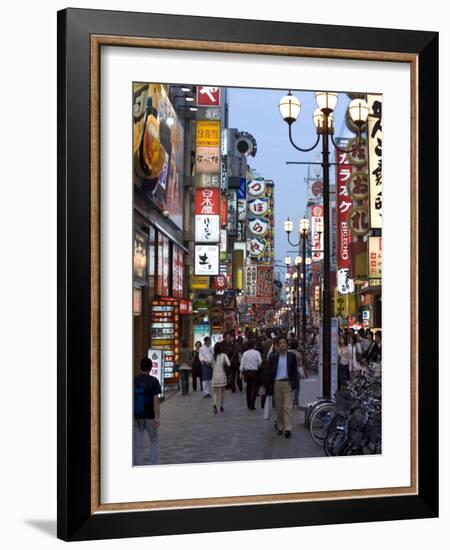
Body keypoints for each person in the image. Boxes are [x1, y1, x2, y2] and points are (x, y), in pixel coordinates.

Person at [266, 336, 299, 438]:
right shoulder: (274, 358)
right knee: (279, 408)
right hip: (277, 384)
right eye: (280, 343)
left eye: (284, 342)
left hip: (288, 383)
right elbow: (269, 372)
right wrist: (268, 385)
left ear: (287, 344)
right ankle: (280, 426)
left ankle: (288, 428)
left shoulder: (292, 356)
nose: (283, 345)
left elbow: (294, 371)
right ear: (277, 346)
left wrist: (294, 383)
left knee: (287, 407)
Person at [133, 357, 161, 466]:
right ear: (151, 368)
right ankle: (153, 464)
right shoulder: (154, 381)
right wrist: (157, 418)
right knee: (154, 440)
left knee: (138, 443)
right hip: (150, 416)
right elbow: (156, 401)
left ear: (140, 367)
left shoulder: (134, 380)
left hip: (137, 416)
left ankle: (138, 466)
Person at [239, 339, 262, 410]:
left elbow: (242, 365)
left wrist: (241, 373)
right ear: (254, 346)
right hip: (255, 372)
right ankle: (252, 405)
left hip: (247, 373)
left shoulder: (245, 353)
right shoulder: (257, 353)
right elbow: (260, 362)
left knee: (248, 389)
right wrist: (258, 366)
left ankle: (248, 404)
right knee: (254, 389)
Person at [211, 342, 230, 413]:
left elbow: (211, 365)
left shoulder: (213, 356)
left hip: (215, 375)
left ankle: (214, 404)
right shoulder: (224, 355)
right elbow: (229, 364)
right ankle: (221, 406)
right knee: (222, 392)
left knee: (215, 392)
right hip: (222, 375)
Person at [288, 339, 303, 407]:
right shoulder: (298, 354)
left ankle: (289, 400)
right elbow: (300, 364)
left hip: (288, 372)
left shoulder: (287, 352)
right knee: (297, 387)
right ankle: (295, 400)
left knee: (289, 387)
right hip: (296, 372)